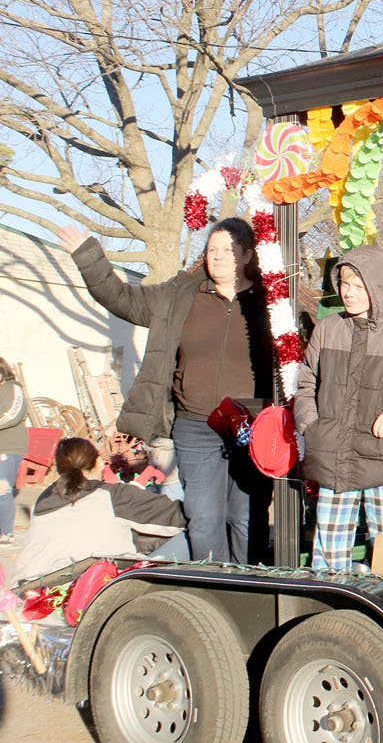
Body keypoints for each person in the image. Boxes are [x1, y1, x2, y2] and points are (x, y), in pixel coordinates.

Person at [59, 220, 274, 563]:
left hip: (253, 428)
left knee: (246, 519)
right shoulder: (180, 294)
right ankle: (213, 591)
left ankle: (250, 590)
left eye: (228, 250)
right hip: (196, 427)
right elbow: (121, 297)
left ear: (248, 254)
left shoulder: (272, 300)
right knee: (204, 520)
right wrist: (88, 257)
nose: (217, 257)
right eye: (211, 249)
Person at [295, 246, 383, 571]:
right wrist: (311, 427)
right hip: (334, 458)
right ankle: (325, 614)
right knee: (328, 560)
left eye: (359, 286)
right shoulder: (328, 329)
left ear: (380, 289)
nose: (349, 293)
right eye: (345, 284)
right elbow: (306, 383)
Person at [14, 437, 188, 582]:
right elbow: (179, 518)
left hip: (32, 588)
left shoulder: (44, 499)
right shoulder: (112, 495)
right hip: (89, 590)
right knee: (194, 532)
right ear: (99, 462)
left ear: (59, 469)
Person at [0, 358, 28, 545]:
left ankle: (6, 532)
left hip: (7, 446)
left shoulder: (13, 388)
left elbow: (12, 414)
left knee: (2, 488)